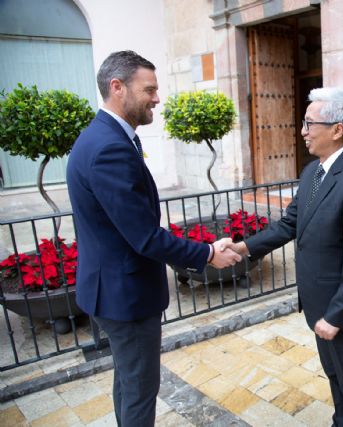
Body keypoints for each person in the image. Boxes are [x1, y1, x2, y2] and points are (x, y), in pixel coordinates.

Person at [66, 50, 241, 427]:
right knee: (141, 389)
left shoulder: (103, 136)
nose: (157, 98)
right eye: (150, 89)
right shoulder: (110, 147)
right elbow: (144, 237)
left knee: (128, 382)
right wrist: (209, 251)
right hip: (124, 297)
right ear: (117, 87)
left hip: (110, 290)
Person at [226, 87, 343, 426]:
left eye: (310, 123)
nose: (303, 131)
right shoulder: (314, 172)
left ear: (337, 130)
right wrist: (245, 247)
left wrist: (337, 316)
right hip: (319, 307)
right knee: (337, 380)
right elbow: (290, 224)